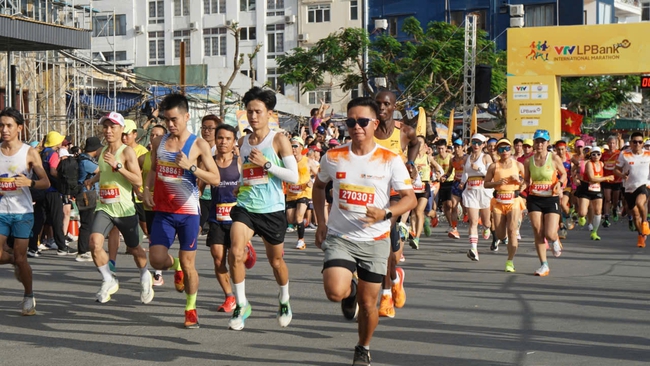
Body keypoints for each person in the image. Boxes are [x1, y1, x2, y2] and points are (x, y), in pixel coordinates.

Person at [313, 97, 416, 366]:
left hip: (375, 239)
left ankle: (363, 346)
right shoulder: (333, 156)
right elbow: (318, 186)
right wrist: (321, 223)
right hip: (340, 237)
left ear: (374, 123)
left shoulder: (389, 159)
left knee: (370, 305)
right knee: (335, 291)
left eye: (362, 121)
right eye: (350, 122)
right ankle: (349, 293)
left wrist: (386, 213)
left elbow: (410, 198)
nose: (356, 126)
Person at [143, 94, 221, 328]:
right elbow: (153, 170)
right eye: (167, 120)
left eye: (175, 119)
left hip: (188, 213)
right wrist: (147, 189)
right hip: (163, 212)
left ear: (187, 116)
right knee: (156, 260)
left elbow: (215, 178)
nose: (170, 124)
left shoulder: (199, 145)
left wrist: (192, 167)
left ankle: (190, 308)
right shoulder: (159, 142)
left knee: (190, 266)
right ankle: (174, 265)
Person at [226, 87, 299, 331]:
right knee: (235, 252)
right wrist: (239, 185)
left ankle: (284, 299)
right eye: (249, 112)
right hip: (246, 206)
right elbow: (247, 171)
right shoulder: (243, 141)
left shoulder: (278, 139)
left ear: (269, 113)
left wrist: (266, 164)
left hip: (271, 209)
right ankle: (241, 303)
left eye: (258, 111)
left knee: (276, 261)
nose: (253, 116)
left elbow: (294, 176)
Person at [83, 112, 153, 304]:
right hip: (104, 207)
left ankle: (145, 275)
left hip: (124, 209)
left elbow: (138, 179)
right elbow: (105, 172)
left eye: (112, 127)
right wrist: (93, 179)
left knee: (135, 249)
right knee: (94, 243)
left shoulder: (126, 152)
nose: (108, 130)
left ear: (121, 129)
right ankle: (108, 279)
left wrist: (118, 166)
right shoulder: (102, 150)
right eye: (105, 127)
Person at [0, 108, 50, 315]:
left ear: (19, 128)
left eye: (9, 125)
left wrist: (29, 182)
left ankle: (28, 295)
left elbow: (46, 182)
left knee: (22, 258)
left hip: (22, 212)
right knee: (13, 258)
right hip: (2, 210)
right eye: (1, 125)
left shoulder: (29, 152)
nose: (4, 130)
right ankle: (11, 260)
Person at [374, 90, 419, 319]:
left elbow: (416, 143)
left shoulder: (404, 131)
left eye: (386, 104)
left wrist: (410, 162)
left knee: (384, 232)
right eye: (378, 104)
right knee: (388, 253)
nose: (382, 108)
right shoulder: (368, 130)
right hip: (373, 193)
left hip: (395, 194)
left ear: (394, 107)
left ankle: (385, 297)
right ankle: (394, 279)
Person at [203, 124, 256, 313]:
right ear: (215, 140)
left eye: (227, 138)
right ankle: (229, 296)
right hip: (216, 216)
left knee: (235, 258)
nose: (223, 142)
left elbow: (251, 184)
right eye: (220, 138)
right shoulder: (208, 162)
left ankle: (246, 248)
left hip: (237, 217)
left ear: (234, 141)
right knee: (218, 258)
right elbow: (200, 187)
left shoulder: (240, 161)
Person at [107, 119, 149, 273]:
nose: (124, 138)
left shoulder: (142, 152)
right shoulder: (112, 150)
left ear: (135, 135)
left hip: (139, 197)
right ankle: (111, 262)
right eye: (122, 135)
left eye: (127, 135)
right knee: (113, 228)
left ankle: (156, 265)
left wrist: (141, 190)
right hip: (119, 197)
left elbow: (142, 176)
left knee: (146, 230)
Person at [523, 130, 567, 277]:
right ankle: (544, 265)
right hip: (534, 198)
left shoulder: (553, 158)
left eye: (543, 141)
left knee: (549, 233)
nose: (540, 144)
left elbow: (564, 174)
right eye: (537, 141)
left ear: (548, 143)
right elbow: (527, 181)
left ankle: (555, 239)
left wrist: (559, 183)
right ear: (534, 143)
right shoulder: (528, 161)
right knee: (537, 231)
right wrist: (517, 190)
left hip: (551, 198)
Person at [484, 139, 525, 272]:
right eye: (501, 149)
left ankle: (510, 261)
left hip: (513, 200)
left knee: (512, 231)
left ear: (511, 149)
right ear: (497, 151)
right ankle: (504, 237)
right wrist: (497, 183)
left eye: (506, 148)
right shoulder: (493, 166)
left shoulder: (518, 165)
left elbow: (526, 181)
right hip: (499, 202)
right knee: (501, 235)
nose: (504, 152)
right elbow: (486, 183)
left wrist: (519, 182)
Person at [138, 124, 167, 286]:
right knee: (151, 235)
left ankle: (158, 272)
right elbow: (135, 175)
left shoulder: (168, 156)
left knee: (160, 235)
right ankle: (158, 266)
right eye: (152, 135)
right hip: (148, 202)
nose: (154, 138)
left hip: (164, 202)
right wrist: (139, 190)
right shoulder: (144, 158)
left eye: (158, 135)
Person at [461, 134, 493, 261]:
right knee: (473, 221)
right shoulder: (467, 158)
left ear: (483, 145)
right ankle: (474, 248)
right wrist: (462, 182)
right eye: (474, 142)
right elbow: (465, 173)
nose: (476, 145)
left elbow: (491, 174)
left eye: (479, 143)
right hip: (471, 191)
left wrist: (479, 168)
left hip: (484, 190)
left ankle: (487, 228)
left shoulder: (486, 157)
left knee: (486, 221)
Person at [615, 132, 650, 248]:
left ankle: (645, 222)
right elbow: (616, 170)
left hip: (644, 185)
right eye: (634, 142)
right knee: (635, 215)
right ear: (630, 143)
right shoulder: (624, 154)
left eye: (640, 142)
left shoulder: (648, 154)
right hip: (629, 187)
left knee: (640, 203)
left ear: (643, 143)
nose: (637, 144)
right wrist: (622, 175)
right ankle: (640, 236)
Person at [410, 136, 443, 249]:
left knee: (420, 211)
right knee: (413, 213)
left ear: (425, 146)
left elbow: (440, 169)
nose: (418, 145)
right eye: (416, 142)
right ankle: (413, 233)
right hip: (413, 186)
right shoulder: (412, 158)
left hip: (424, 186)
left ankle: (417, 238)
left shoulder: (427, 158)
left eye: (420, 143)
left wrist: (437, 174)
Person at [574, 146, 612, 240]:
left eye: (598, 154)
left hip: (597, 189)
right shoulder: (589, 164)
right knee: (583, 212)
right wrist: (607, 178)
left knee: (598, 211)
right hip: (586, 188)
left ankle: (594, 232)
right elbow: (592, 178)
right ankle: (581, 217)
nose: (596, 156)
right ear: (590, 155)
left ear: (601, 155)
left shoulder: (602, 164)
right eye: (593, 154)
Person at [75, 136, 103, 262]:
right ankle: (83, 251)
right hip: (86, 195)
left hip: (88, 194)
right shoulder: (86, 161)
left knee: (89, 222)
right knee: (86, 223)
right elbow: (101, 170)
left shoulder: (85, 159)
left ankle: (85, 249)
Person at [285, 136, 314, 250]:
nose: (293, 148)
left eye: (295, 146)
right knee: (290, 220)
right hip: (291, 192)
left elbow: (319, 174)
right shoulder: (287, 161)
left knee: (298, 217)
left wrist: (312, 181)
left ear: (301, 147)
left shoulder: (308, 161)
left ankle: (301, 241)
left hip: (304, 192)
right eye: (291, 146)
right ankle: (304, 221)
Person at [199, 115, 220, 235]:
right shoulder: (197, 147)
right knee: (196, 227)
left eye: (210, 128)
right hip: (200, 195)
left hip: (216, 195)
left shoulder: (221, 150)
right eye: (204, 128)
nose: (206, 131)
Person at [446, 138, 466, 239]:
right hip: (456, 184)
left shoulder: (467, 158)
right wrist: (444, 176)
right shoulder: (452, 160)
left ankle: (470, 219)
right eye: (455, 147)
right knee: (453, 206)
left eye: (459, 147)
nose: (457, 149)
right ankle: (454, 229)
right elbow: (449, 171)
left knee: (466, 207)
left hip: (467, 185)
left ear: (463, 147)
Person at [601, 135, 623, 228]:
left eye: (613, 143)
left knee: (615, 200)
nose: (611, 144)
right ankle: (606, 217)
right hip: (607, 180)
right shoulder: (603, 155)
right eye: (610, 143)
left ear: (616, 144)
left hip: (617, 180)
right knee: (607, 199)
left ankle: (614, 209)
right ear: (607, 144)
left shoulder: (619, 154)